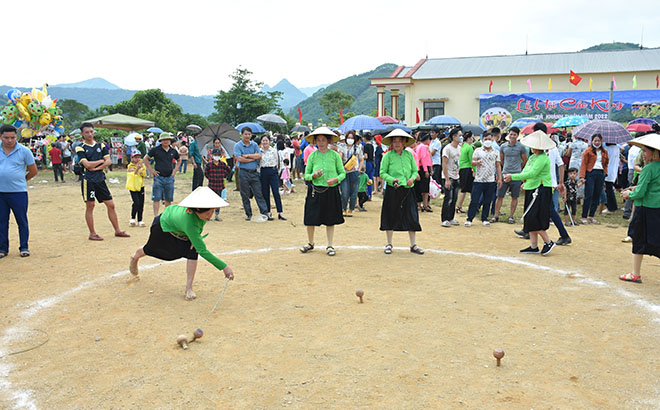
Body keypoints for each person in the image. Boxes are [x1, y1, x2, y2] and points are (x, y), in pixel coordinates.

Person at [129, 187, 235, 300]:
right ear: (197, 209)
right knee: (151, 250)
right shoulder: (189, 222)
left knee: (192, 251)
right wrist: (224, 267)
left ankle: (188, 288)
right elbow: (203, 250)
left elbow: (199, 227)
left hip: (181, 230)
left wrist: (196, 239)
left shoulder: (200, 214)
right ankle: (135, 257)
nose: (210, 216)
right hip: (163, 226)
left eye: (212, 212)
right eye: (208, 213)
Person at [504, 130, 556, 256]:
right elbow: (527, 171)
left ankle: (548, 242)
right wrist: (525, 183)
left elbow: (533, 173)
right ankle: (534, 246)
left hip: (541, 189)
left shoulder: (543, 158)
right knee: (529, 217)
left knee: (534, 217)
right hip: (533, 188)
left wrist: (512, 177)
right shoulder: (533, 157)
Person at [75, 122, 130, 241]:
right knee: (90, 205)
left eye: (91, 131)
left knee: (111, 205)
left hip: (100, 179)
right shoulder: (80, 147)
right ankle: (92, 233)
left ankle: (117, 230)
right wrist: (101, 161)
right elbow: (87, 165)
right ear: (82, 134)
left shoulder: (101, 145)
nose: (90, 134)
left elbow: (108, 161)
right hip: (88, 180)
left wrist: (97, 167)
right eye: (87, 132)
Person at [619, 134, 660, 283]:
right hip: (657, 209)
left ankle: (635, 273)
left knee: (638, 239)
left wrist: (629, 194)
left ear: (654, 152)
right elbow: (652, 187)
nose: (642, 154)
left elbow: (641, 193)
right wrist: (637, 188)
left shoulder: (648, 168)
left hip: (645, 209)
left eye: (645, 151)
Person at [300, 127, 346, 256]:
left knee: (330, 219)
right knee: (310, 218)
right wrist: (313, 176)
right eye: (318, 140)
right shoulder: (312, 155)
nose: (320, 142)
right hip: (315, 190)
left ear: (328, 141)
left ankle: (330, 245)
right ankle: (310, 243)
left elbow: (342, 173)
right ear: (315, 141)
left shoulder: (335, 155)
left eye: (323, 140)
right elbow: (306, 175)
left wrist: (336, 179)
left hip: (331, 191)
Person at [379, 129, 424, 255]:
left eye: (400, 141)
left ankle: (413, 244)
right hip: (393, 189)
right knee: (390, 215)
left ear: (404, 142)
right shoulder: (387, 156)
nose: (397, 144)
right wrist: (392, 179)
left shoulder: (409, 155)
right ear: (391, 143)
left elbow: (415, 171)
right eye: (395, 141)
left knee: (411, 215)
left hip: (408, 189)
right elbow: (382, 173)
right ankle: (389, 243)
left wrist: (412, 178)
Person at [0, 124, 38, 258]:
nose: (10, 140)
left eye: (12, 137)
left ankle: (24, 247)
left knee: (21, 220)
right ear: (1, 137)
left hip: (18, 193)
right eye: (6, 138)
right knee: (1, 221)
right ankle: (3, 249)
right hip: (1, 193)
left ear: (17, 137)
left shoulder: (24, 151)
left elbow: (33, 171)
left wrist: (22, 181)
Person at [465, 133, 502, 227]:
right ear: (482, 140)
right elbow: (472, 162)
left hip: (490, 180)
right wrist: (477, 162)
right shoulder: (478, 151)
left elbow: (498, 165)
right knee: (475, 200)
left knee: (487, 200)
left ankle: (484, 218)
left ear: (493, 139)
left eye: (490, 139)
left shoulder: (495, 152)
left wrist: (499, 178)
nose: (488, 141)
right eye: (486, 139)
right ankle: (470, 218)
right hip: (479, 180)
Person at [234, 127, 270, 222]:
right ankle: (248, 214)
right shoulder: (238, 145)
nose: (247, 136)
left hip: (254, 173)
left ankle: (265, 213)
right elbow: (239, 159)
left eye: (249, 134)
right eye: (245, 134)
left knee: (259, 193)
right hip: (243, 173)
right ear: (242, 134)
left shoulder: (254, 144)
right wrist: (252, 159)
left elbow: (259, 155)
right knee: (245, 194)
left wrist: (247, 155)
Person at [493, 127, 527, 223]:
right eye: (511, 134)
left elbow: (525, 160)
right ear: (508, 134)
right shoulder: (503, 146)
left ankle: (511, 216)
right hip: (505, 174)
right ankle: (496, 215)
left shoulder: (521, 147)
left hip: (516, 175)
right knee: (499, 196)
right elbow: (501, 160)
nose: (512, 136)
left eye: (514, 135)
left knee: (515, 196)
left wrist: (519, 169)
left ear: (517, 136)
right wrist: (504, 169)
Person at [144, 132, 181, 216]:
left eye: (167, 139)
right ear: (160, 141)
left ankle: (167, 216)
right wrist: (151, 170)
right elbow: (145, 159)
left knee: (168, 199)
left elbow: (179, 160)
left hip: (169, 178)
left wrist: (175, 170)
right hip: (158, 177)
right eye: (164, 140)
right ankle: (155, 216)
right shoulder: (155, 149)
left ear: (170, 140)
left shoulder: (173, 151)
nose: (166, 141)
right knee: (156, 198)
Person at [580, 134, 609, 224]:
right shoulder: (587, 151)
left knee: (597, 195)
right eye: (595, 141)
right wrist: (582, 176)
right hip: (590, 172)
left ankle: (591, 215)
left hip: (600, 173)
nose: (597, 142)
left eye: (599, 141)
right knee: (589, 195)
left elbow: (606, 163)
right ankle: (584, 216)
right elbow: (584, 164)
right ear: (592, 141)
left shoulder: (604, 151)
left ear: (601, 141)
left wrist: (605, 173)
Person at [259, 135, 286, 220]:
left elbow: (278, 162)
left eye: (266, 140)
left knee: (276, 192)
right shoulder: (259, 151)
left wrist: (276, 172)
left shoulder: (274, 151)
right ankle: (268, 212)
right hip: (263, 172)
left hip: (273, 171)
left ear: (269, 141)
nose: (265, 142)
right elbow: (258, 163)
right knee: (265, 193)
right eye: (263, 140)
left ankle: (280, 212)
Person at [440, 128, 462, 227]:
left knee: (454, 198)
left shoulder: (459, 148)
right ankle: (444, 218)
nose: (461, 137)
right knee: (448, 197)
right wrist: (447, 179)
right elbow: (444, 164)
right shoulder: (447, 148)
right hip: (448, 176)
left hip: (456, 176)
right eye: (459, 135)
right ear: (454, 137)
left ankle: (451, 217)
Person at [338, 130, 362, 217]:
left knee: (354, 192)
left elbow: (362, 159)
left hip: (354, 172)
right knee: (344, 192)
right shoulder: (342, 147)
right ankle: (344, 208)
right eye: (348, 137)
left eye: (352, 138)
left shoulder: (357, 148)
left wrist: (359, 169)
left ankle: (351, 209)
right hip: (344, 172)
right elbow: (340, 157)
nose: (350, 139)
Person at [204, 148, 231, 221]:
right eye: (215, 155)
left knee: (218, 201)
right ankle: (208, 215)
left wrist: (223, 175)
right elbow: (206, 173)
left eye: (218, 155)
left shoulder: (222, 164)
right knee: (210, 201)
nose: (217, 156)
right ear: (212, 156)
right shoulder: (209, 165)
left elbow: (229, 170)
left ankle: (216, 215)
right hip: (212, 185)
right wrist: (210, 178)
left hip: (219, 185)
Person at [126, 149, 147, 227]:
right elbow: (132, 173)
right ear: (132, 158)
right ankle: (132, 218)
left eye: (138, 157)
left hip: (140, 186)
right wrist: (137, 169)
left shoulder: (142, 165)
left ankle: (140, 219)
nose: (137, 159)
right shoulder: (130, 165)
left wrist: (137, 171)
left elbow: (144, 174)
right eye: (135, 157)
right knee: (136, 202)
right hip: (132, 187)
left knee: (141, 203)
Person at [456, 131, 475, 213]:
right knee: (468, 189)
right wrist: (475, 170)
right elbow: (472, 161)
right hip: (467, 169)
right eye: (472, 137)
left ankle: (471, 205)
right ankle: (461, 206)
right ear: (469, 138)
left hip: (461, 168)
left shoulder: (462, 146)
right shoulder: (469, 148)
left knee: (465, 188)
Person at [415, 134, 433, 212]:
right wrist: (426, 170)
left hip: (422, 168)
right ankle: (423, 205)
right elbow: (423, 159)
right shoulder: (423, 147)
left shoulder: (419, 146)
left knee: (422, 188)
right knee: (424, 188)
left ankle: (422, 205)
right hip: (423, 168)